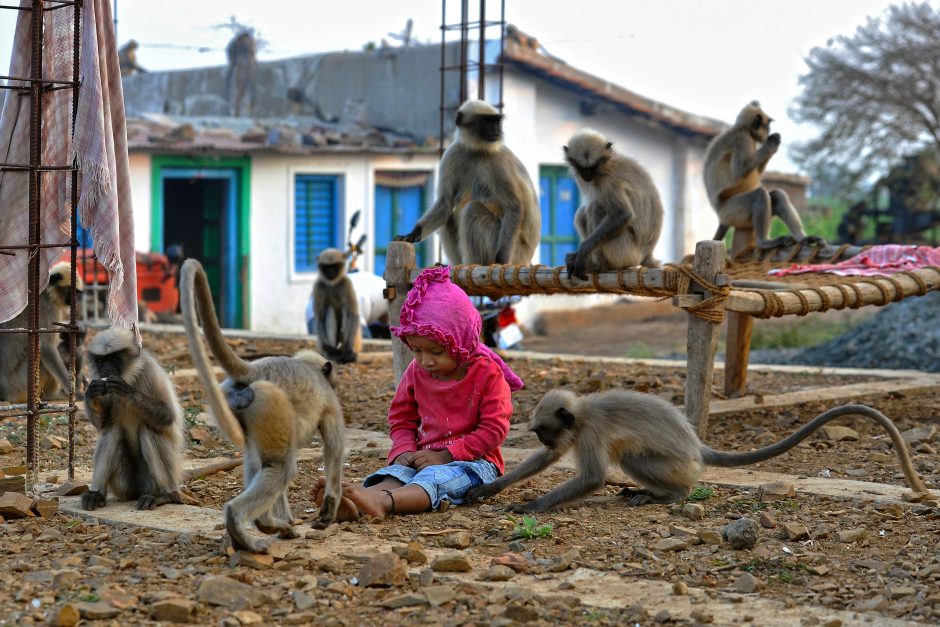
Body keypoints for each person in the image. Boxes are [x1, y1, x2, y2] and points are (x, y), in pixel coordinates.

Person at [310, 266, 524, 520]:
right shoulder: (416, 371)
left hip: (475, 464)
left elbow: (493, 430)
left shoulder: (488, 375)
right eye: (417, 350)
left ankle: (383, 502)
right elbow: (401, 417)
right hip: (423, 456)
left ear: (462, 341)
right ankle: (355, 504)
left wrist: (446, 455)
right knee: (395, 474)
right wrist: (403, 450)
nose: (426, 361)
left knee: (434, 478)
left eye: (436, 352)